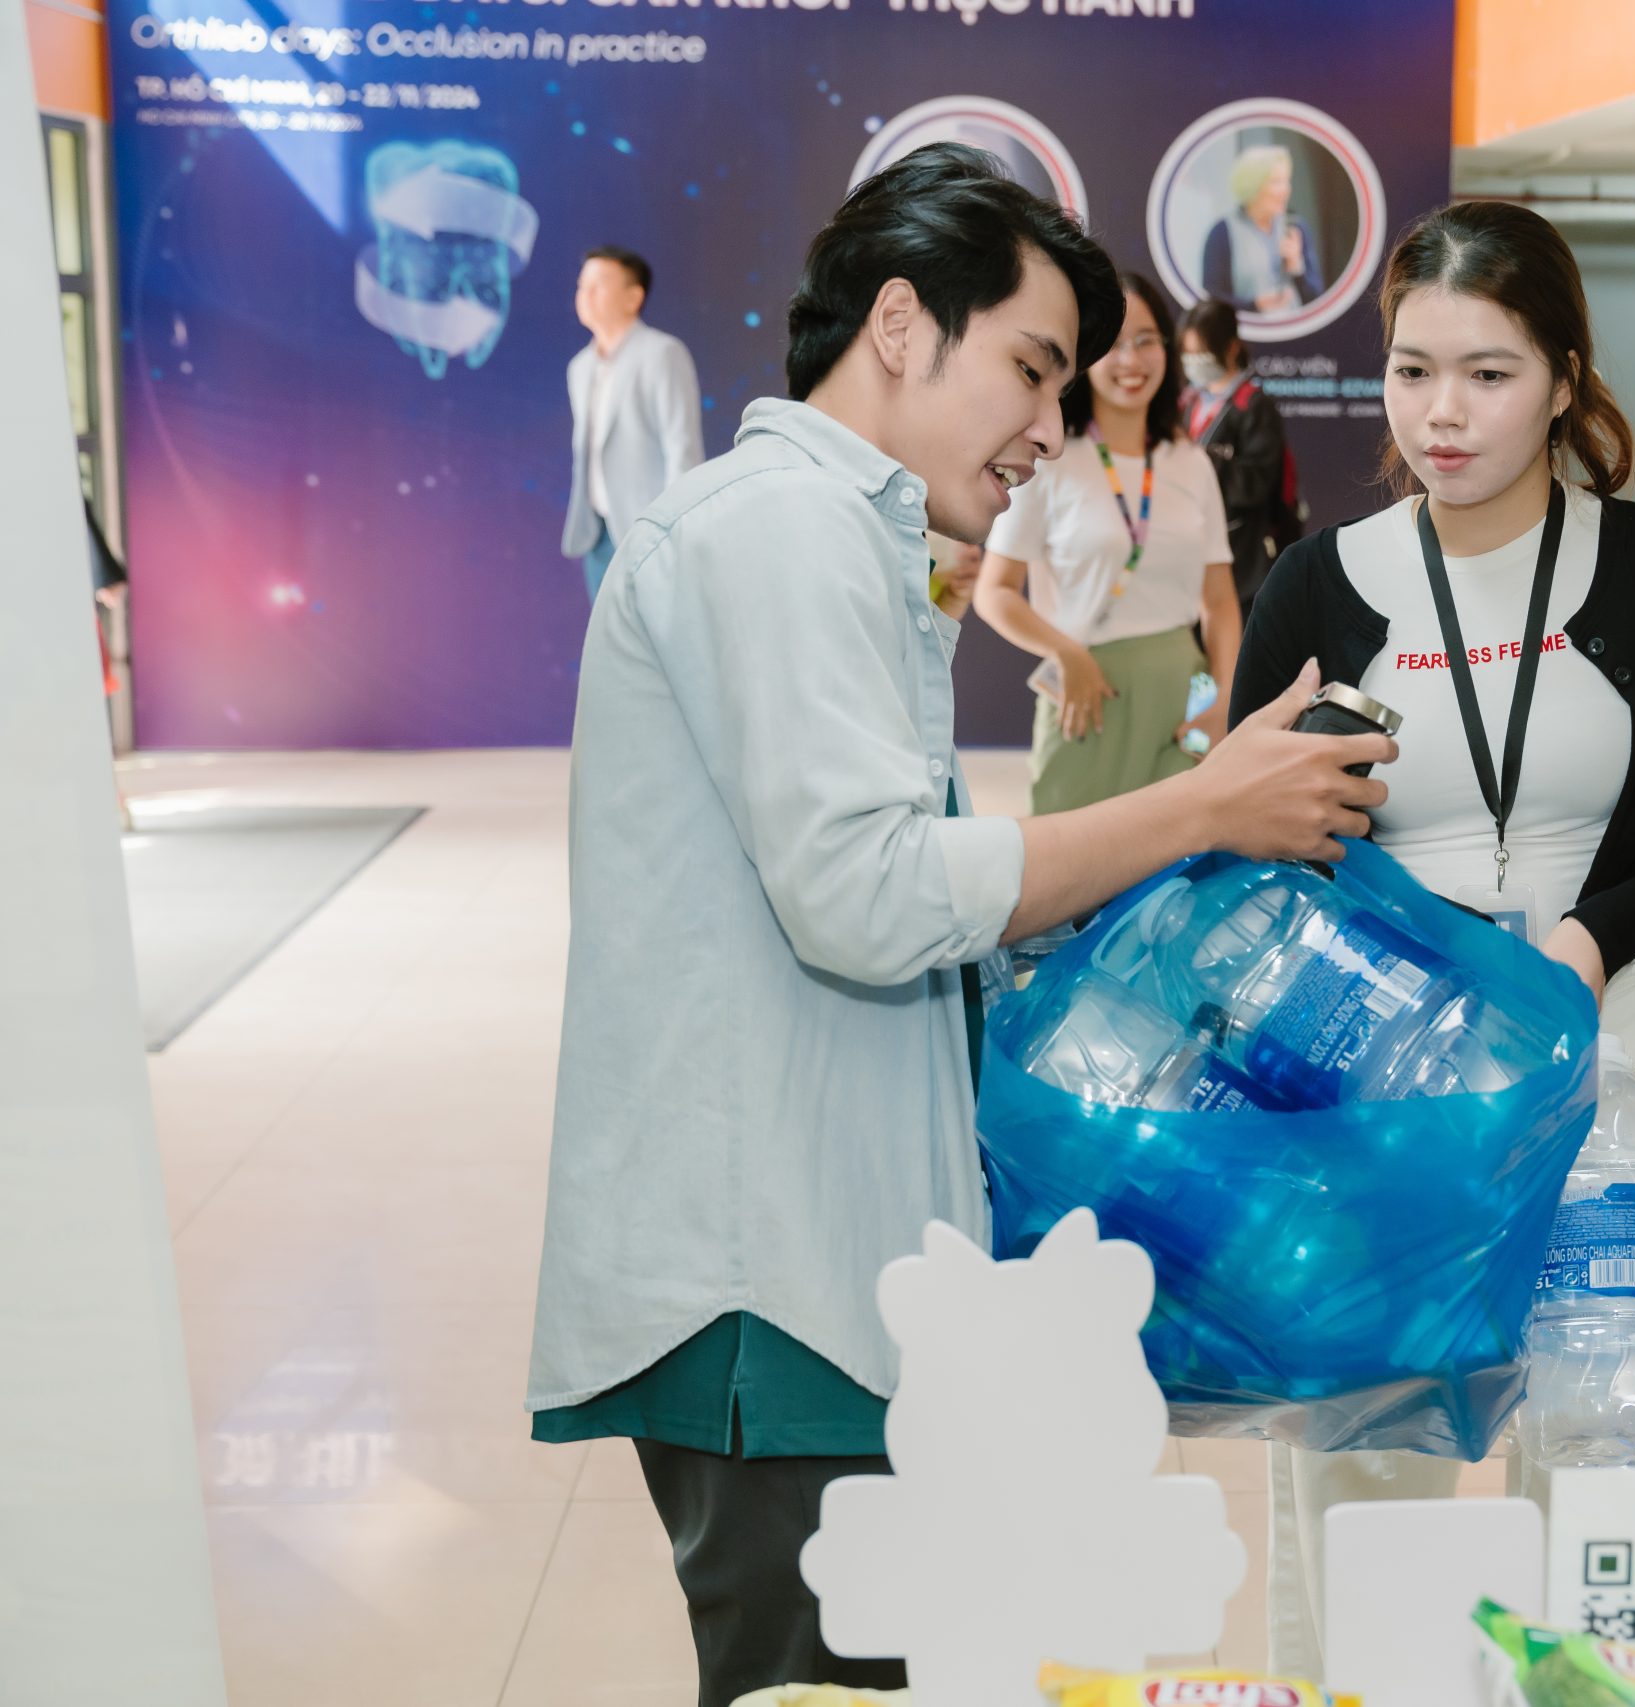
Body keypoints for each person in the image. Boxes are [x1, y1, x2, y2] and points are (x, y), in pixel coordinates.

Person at [523, 145, 1394, 1707]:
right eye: (1033, 368)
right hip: (765, 1281)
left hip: (816, 1254)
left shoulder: (837, 532)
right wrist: (1200, 808)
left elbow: (879, 887)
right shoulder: (778, 529)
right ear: (905, 324)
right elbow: (862, 894)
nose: (1051, 426)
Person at [1230, 199, 1635, 1682]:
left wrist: (1599, 936)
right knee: (1364, 1482)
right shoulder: (1317, 585)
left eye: (1487, 372)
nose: (1442, 413)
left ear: (1562, 372)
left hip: (1611, 1079)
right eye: (1413, 370)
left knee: (1614, 1467)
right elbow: (1247, 838)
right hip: (1377, 1105)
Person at [976, 274, 1239, 811]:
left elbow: (1218, 603)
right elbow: (994, 592)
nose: (1131, 360)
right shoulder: (1047, 460)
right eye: (1113, 345)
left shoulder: (1189, 462)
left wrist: (1223, 701)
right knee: (1069, 868)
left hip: (1186, 698)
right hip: (1086, 695)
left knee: (1182, 863)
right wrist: (1064, 651)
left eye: (1146, 340)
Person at [562, 246, 704, 602]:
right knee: (606, 643)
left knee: (653, 640)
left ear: (633, 296)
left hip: (648, 528)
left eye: (599, 284)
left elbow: (681, 445)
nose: (586, 294)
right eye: (582, 285)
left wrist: (673, 528)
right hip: (597, 532)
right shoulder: (580, 367)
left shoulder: (661, 353)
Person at [1181, 298, 1303, 616]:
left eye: (1202, 355)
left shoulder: (1254, 406)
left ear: (1232, 348)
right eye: (1188, 355)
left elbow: (1257, 482)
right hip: (1190, 552)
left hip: (1242, 560)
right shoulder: (1190, 401)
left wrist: (1206, 460)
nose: (1194, 363)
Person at [1201, 145, 1324, 317]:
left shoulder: (1296, 228)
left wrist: (1297, 267)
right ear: (1252, 185)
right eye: (1276, 182)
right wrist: (1254, 305)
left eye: (1287, 180)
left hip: (1295, 334)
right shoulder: (1222, 232)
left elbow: (1316, 299)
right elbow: (1211, 299)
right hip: (1249, 334)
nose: (1286, 189)